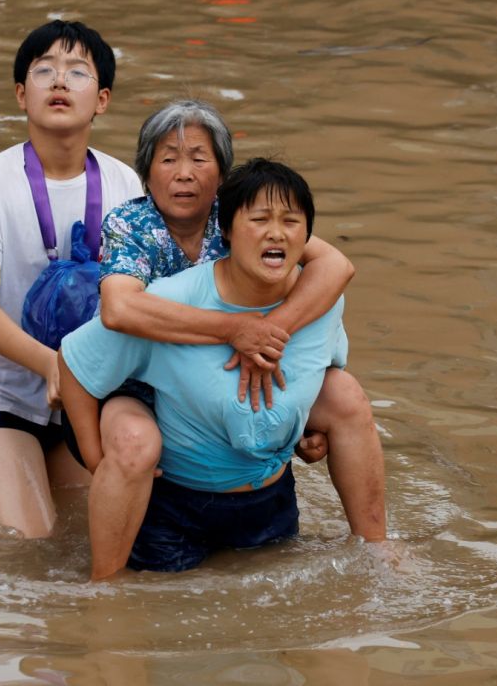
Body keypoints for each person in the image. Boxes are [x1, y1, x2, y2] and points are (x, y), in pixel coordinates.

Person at [68, 99, 386, 579]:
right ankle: (103, 585)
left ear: (222, 174)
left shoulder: (245, 214)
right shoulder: (131, 225)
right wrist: (236, 330)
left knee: (343, 393)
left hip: (224, 377)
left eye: (199, 158)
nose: (184, 173)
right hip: (138, 376)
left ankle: (378, 550)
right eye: (168, 159)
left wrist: (272, 335)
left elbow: (334, 265)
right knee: (135, 440)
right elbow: (118, 310)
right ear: (145, 173)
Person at [0, 20, 142, 537]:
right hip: (4, 387)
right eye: (44, 70)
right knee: (29, 541)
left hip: (91, 392)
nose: (58, 81)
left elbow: (146, 299)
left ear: (101, 100)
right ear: (19, 94)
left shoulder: (125, 182)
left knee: (91, 533)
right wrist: (52, 366)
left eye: (77, 72)